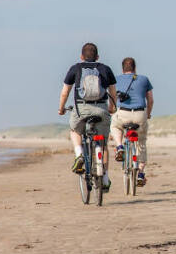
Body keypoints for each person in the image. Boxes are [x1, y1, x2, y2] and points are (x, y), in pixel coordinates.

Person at [58, 43, 117, 191]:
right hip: (101, 109)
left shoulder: (75, 68)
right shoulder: (105, 69)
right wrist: (111, 107)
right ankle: (104, 178)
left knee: (75, 130)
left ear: (81, 57)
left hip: (81, 109)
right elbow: (113, 92)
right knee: (102, 143)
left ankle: (79, 154)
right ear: (97, 57)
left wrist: (61, 108)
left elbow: (65, 92)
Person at [110, 57, 154, 187]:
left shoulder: (116, 79)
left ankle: (119, 146)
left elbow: (112, 98)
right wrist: (148, 114)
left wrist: (112, 109)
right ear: (135, 68)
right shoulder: (144, 79)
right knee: (141, 141)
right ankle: (140, 172)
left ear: (122, 68)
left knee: (115, 126)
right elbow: (150, 100)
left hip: (122, 113)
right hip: (140, 114)